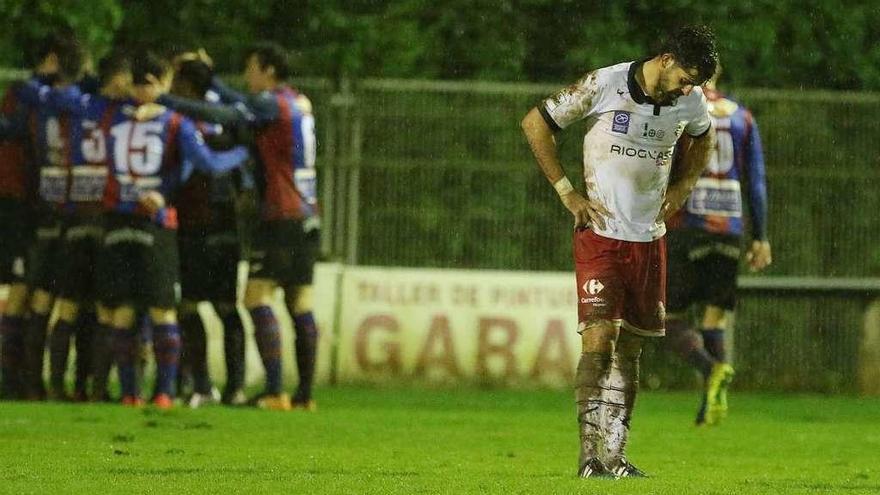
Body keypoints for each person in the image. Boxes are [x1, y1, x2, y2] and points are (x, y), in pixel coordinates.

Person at [521, 25, 718, 478]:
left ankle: (615, 455)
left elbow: (704, 138)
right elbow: (536, 123)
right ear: (666, 59)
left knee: (630, 349)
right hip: (601, 233)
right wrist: (567, 192)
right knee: (598, 339)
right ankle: (590, 457)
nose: (688, 89)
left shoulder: (689, 100)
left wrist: (684, 185)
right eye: (685, 78)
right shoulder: (605, 83)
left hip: (649, 239)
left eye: (694, 85)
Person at [24, 51, 251, 408]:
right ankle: (161, 392)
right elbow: (205, 162)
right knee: (162, 310)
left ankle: (125, 392)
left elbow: (55, 99)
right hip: (155, 223)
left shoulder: (107, 111)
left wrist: (89, 82)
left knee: (119, 311)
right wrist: (240, 154)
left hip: (114, 219)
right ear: (162, 82)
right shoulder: (175, 121)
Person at [157, 43, 320, 411]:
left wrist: (167, 101)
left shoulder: (269, 103)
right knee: (300, 303)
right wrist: (209, 76)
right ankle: (305, 396)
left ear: (268, 70)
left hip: (282, 214)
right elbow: (237, 105)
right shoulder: (296, 102)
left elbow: (228, 113)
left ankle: (276, 389)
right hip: (308, 213)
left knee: (255, 298)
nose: (247, 77)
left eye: (250, 68)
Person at [664, 66, 771, 426]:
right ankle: (707, 407)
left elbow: (666, 164)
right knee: (714, 316)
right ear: (719, 71)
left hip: (687, 224)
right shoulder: (742, 116)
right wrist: (761, 236)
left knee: (668, 317)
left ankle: (711, 370)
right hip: (729, 227)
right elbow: (755, 181)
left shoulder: (681, 108)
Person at [0, 31, 85, 400]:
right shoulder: (86, 99)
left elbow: (12, 129)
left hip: (40, 205)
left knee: (35, 292)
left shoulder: (29, 94)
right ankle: (24, 381)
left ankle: (26, 381)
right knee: (31, 291)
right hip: (39, 205)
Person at [171, 57, 250, 407]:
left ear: (186, 86)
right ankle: (235, 387)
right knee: (225, 307)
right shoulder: (231, 121)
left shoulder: (178, 119)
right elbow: (245, 178)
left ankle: (202, 385)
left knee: (189, 306)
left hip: (193, 224)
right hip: (225, 225)